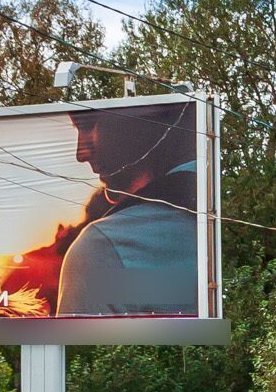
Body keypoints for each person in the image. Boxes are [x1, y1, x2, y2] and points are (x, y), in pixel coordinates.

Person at [55, 103, 199, 317]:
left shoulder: (102, 249)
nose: (81, 153)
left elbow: (75, 349)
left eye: (87, 126)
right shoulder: (226, 206)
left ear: (135, 119)